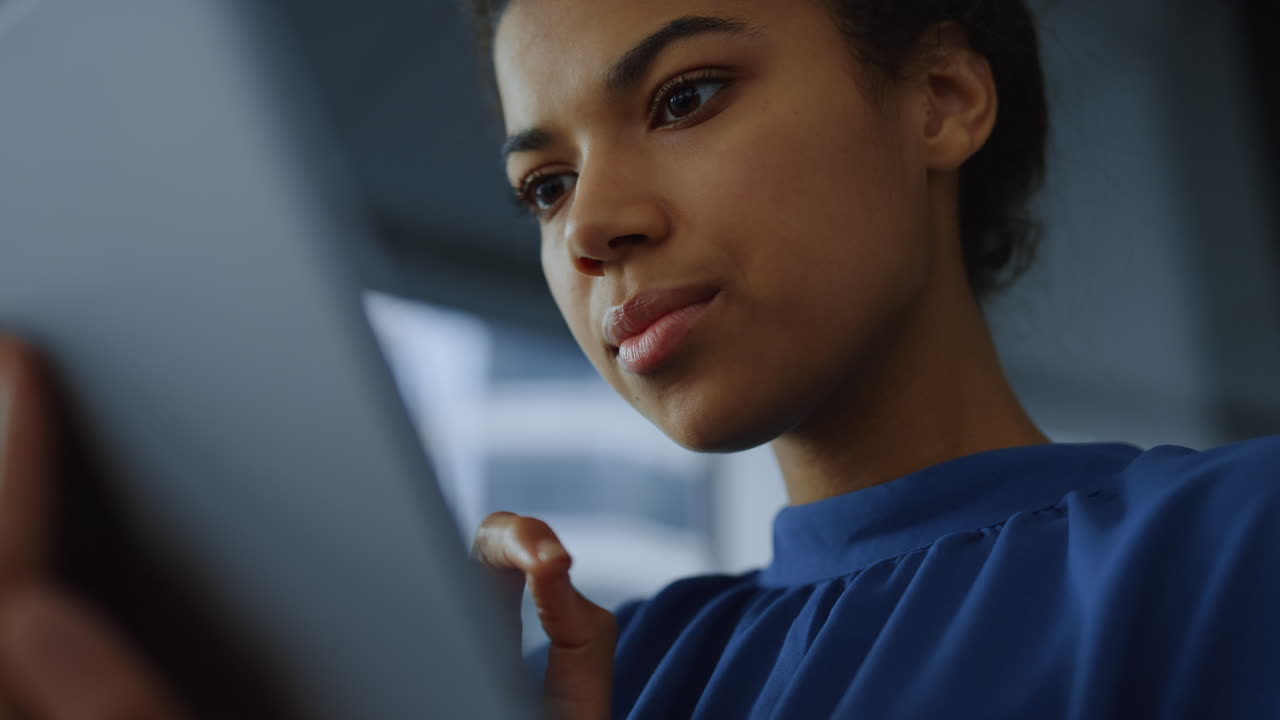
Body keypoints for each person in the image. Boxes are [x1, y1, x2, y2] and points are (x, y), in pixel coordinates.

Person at [0, 0, 1277, 718]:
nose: (593, 226)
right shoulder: (615, 681)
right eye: (542, 186)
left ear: (942, 94)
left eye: (682, 99)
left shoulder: (1231, 548)